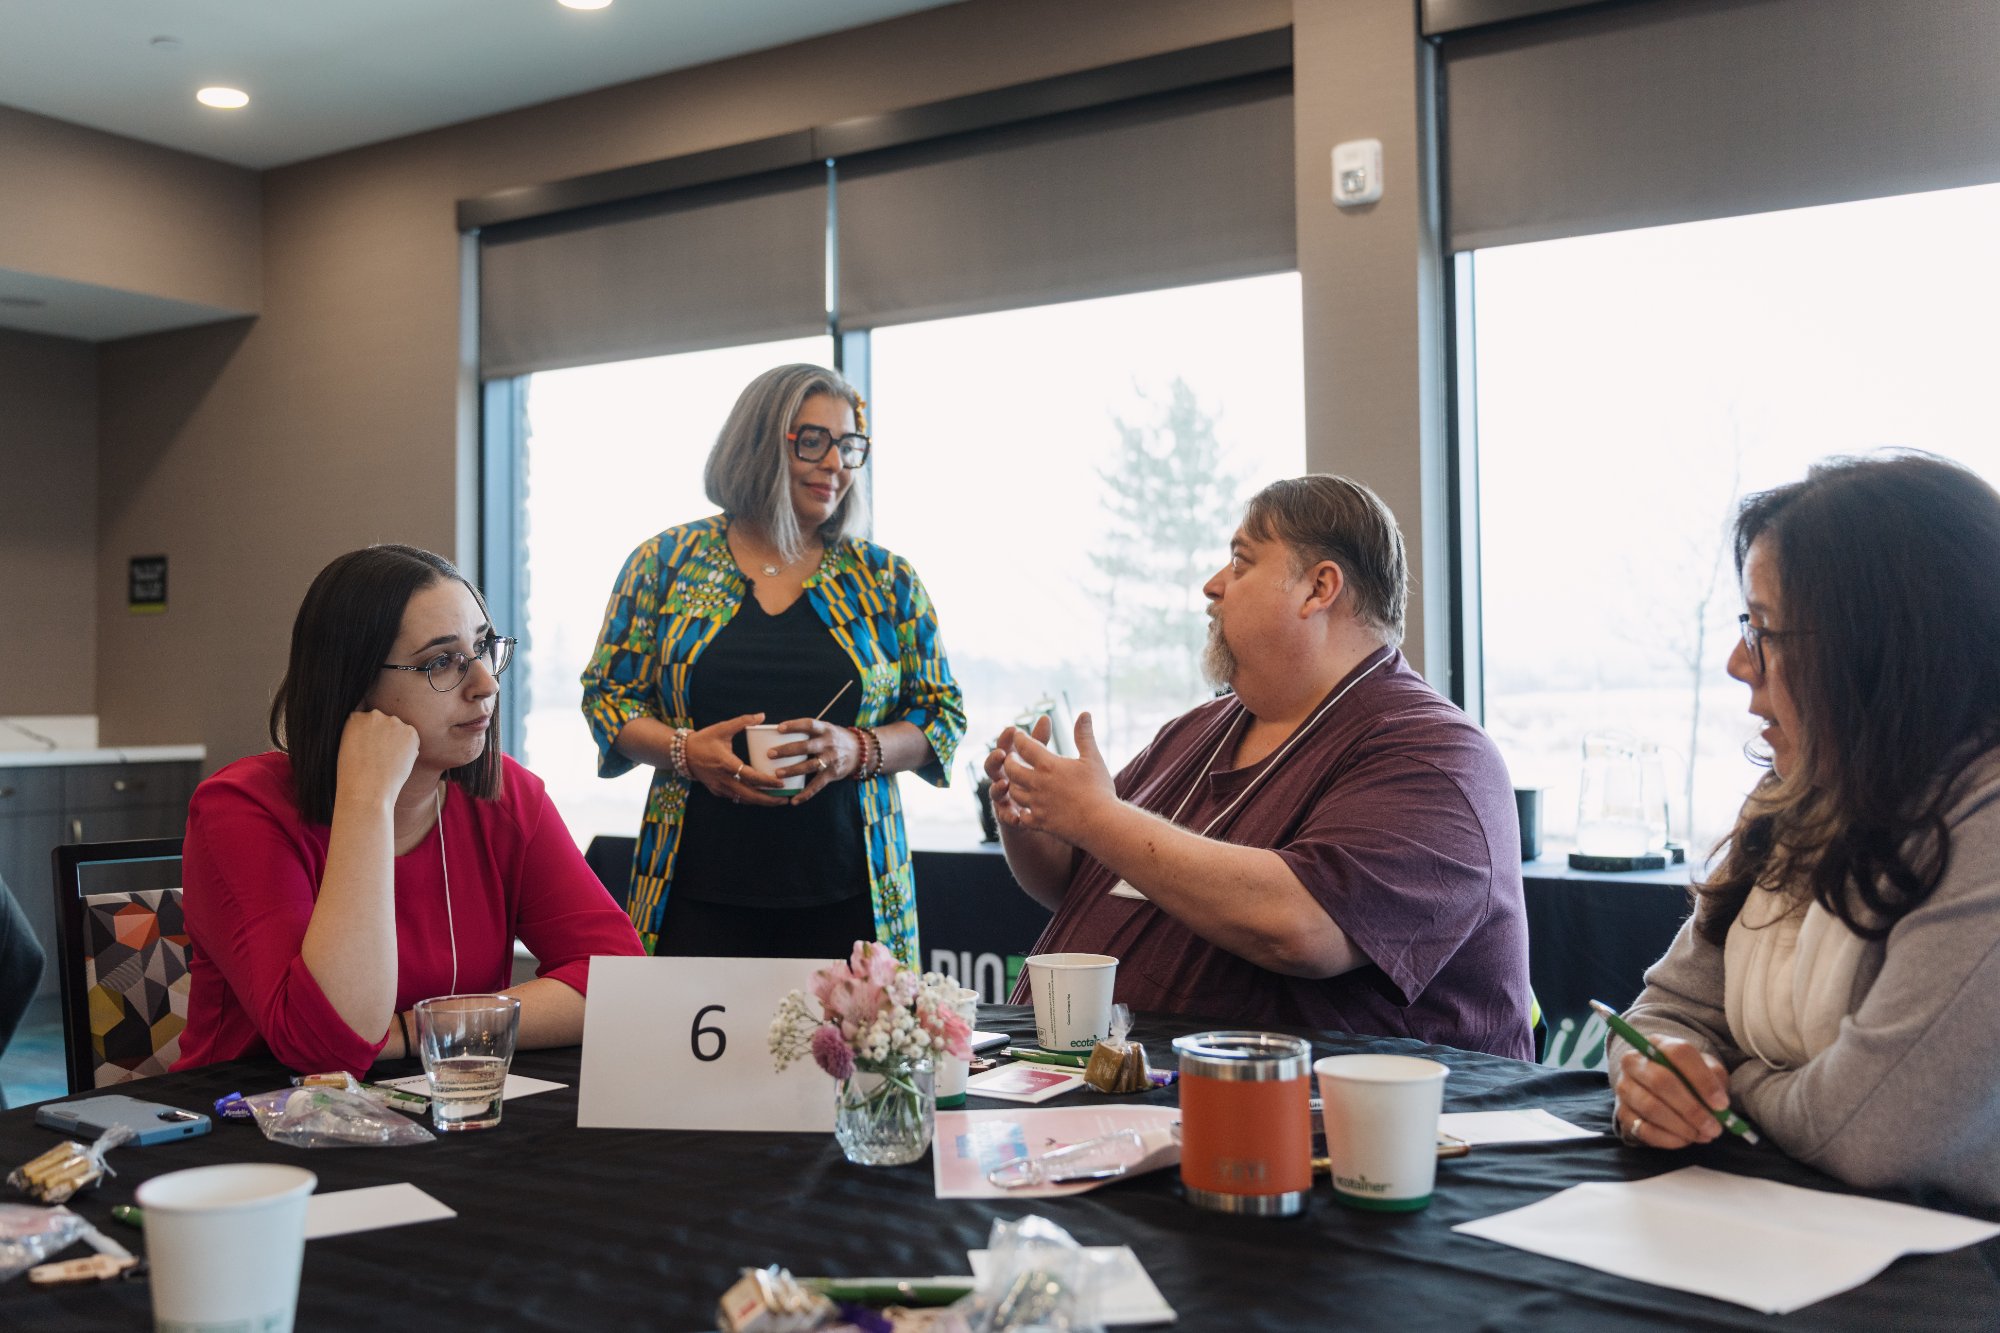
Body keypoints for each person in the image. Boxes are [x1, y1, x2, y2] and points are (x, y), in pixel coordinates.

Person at [986, 475, 1532, 1058]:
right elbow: (1090, 881)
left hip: (1325, 1110)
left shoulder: (1435, 754)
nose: (1213, 585)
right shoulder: (1195, 730)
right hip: (1108, 1087)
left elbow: (1304, 929)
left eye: (1241, 562)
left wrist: (1095, 817)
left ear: (1318, 588)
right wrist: (1041, 822)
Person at [1610, 453, 2000, 1208]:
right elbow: (1668, 1010)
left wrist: (1729, 1084)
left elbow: (1870, 1129)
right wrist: (1654, 1069)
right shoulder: (1793, 794)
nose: (1738, 662)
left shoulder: (1986, 824)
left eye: (1763, 631)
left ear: (1880, 649)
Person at [177, 545, 644, 1075]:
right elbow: (328, 1050)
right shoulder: (240, 809)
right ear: (353, 684)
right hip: (252, 1110)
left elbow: (621, 983)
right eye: (441, 662)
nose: (486, 684)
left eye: (483, 647)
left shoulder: (506, 795)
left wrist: (417, 1029)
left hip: (442, 1096)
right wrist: (367, 800)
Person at [581, 364, 964, 966]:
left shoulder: (886, 579)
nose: (835, 463)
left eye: (848, 445)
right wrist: (686, 751)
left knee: (857, 1035)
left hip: (853, 898)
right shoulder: (664, 563)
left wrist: (857, 748)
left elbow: (942, 714)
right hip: (692, 891)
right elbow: (608, 696)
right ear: (758, 443)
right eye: (812, 441)